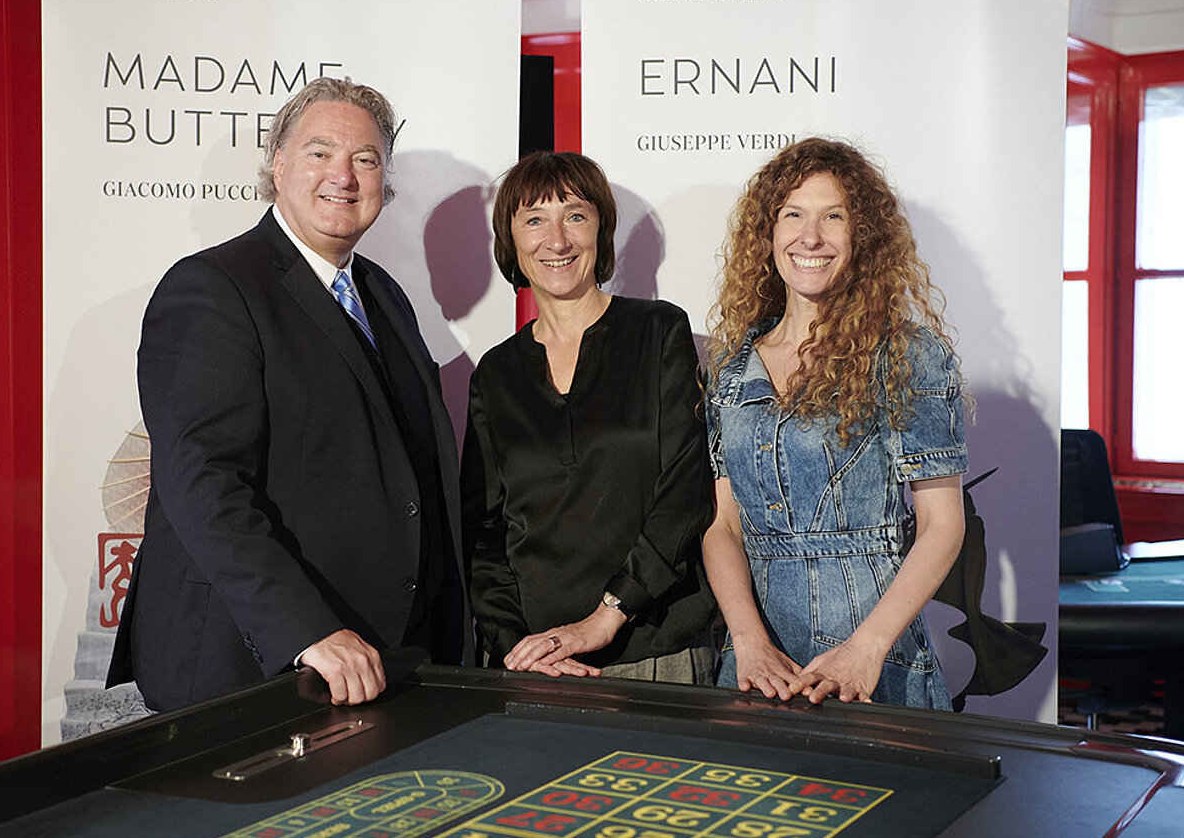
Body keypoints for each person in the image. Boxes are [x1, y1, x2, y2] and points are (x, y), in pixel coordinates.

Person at [107, 77, 466, 712]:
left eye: (366, 159)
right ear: (277, 164)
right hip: (254, 668)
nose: (344, 176)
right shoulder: (213, 289)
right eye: (319, 152)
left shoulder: (383, 294)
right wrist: (306, 631)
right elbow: (201, 483)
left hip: (380, 662)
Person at [703, 137, 967, 708]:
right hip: (756, 663)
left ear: (862, 236)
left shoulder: (903, 353)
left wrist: (866, 648)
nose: (811, 236)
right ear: (767, 233)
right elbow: (724, 527)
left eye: (834, 217)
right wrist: (747, 641)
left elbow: (943, 524)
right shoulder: (731, 363)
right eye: (792, 214)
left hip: (874, 662)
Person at [461, 151, 716, 682]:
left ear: (602, 229)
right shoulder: (496, 372)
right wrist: (513, 645)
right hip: (534, 663)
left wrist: (608, 615)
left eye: (575, 215)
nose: (556, 240)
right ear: (510, 240)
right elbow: (485, 532)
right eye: (534, 220)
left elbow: (687, 491)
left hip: (655, 651)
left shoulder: (659, 331)